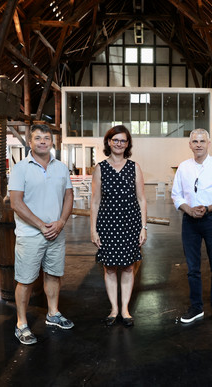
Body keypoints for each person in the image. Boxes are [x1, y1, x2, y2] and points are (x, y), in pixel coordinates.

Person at [9, 124, 75, 345]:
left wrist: (61, 222)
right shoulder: (20, 168)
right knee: (26, 280)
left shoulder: (61, 168)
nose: (43, 141)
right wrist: (40, 225)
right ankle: (21, 324)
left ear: (52, 142)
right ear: (30, 142)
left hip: (56, 232)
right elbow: (16, 203)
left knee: (54, 274)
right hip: (30, 235)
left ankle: (53, 314)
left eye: (47, 138)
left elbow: (68, 197)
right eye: (38, 138)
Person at [171, 128, 212, 327]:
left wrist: (207, 208)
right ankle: (196, 308)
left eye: (202, 141)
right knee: (193, 269)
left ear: (208, 144)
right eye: (195, 141)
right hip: (190, 221)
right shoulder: (183, 167)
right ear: (190, 145)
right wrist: (189, 210)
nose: (198, 144)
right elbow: (176, 195)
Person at [90, 125, 147, 327]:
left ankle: (125, 309)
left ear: (128, 144)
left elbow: (141, 200)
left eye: (123, 141)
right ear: (108, 142)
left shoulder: (134, 167)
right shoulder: (100, 168)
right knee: (110, 268)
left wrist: (143, 227)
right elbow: (95, 202)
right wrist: (93, 229)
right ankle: (114, 309)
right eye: (116, 140)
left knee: (129, 267)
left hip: (130, 223)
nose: (119, 144)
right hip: (107, 224)